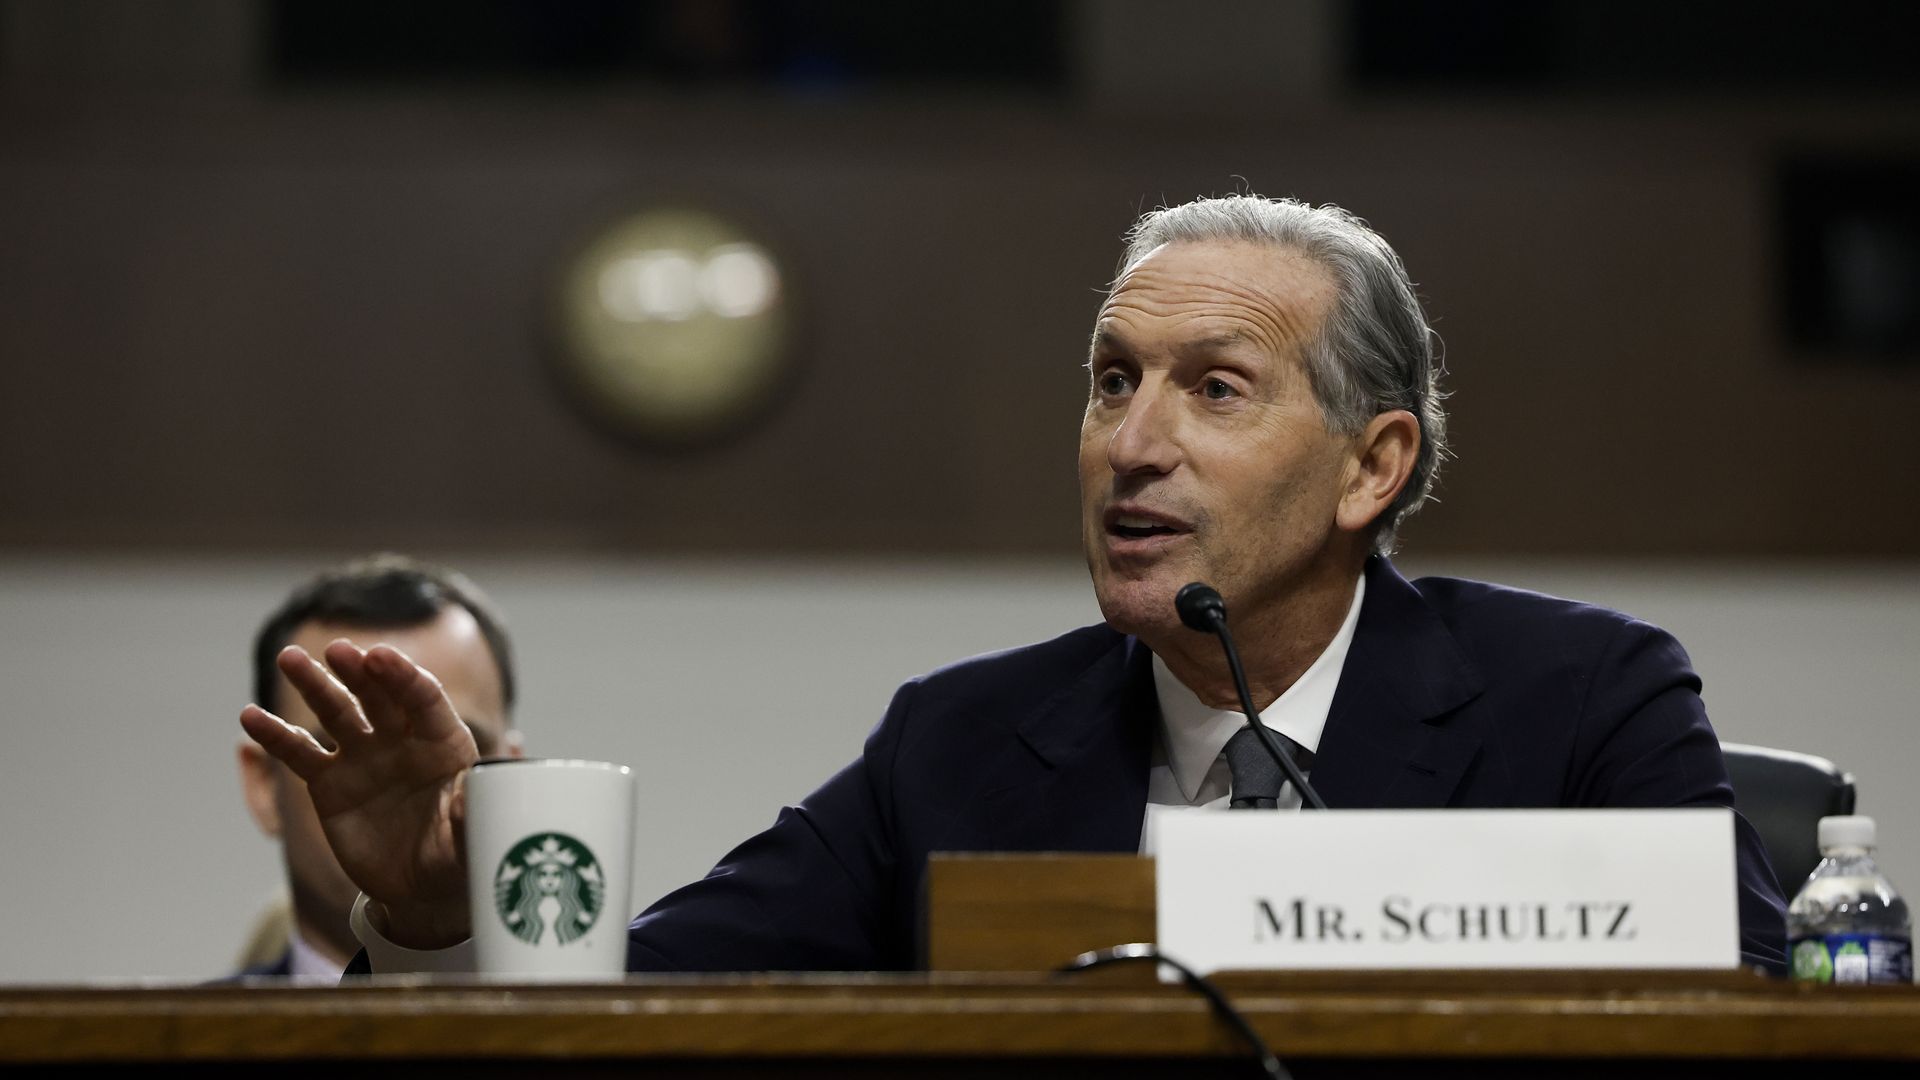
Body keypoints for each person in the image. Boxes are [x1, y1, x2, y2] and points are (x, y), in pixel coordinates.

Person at [240, 194, 1789, 976]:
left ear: (1372, 468)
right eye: (1112, 382)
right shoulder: (963, 746)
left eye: (1215, 390)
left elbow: (1770, 1025)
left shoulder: (1580, 702)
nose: (1133, 444)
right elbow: (655, 1000)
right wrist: (443, 913)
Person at [232, 553, 522, 979]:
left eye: (462, 744)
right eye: (342, 748)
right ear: (262, 784)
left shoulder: (605, 1039)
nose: (412, 789)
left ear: (516, 779)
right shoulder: (159, 1044)